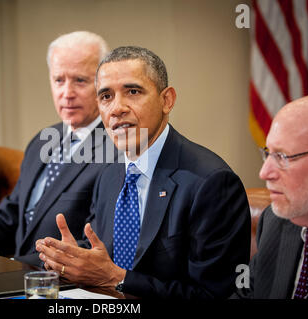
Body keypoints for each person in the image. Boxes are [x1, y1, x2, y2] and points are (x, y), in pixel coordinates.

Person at [36, 46, 251, 299]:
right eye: (106, 97)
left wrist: (117, 279)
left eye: (133, 92)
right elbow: (105, 253)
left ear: (166, 100)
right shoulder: (109, 174)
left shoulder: (212, 183)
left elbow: (215, 295)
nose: (117, 108)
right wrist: (71, 260)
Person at [0, 31, 116, 267]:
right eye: (58, 80)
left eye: (80, 81)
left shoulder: (118, 149)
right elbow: (10, 214)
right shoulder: (43, 140)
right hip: (18, 272)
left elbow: (93, 245)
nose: (67, 93)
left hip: (64, 283)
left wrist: (10, 262)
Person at [232, 94, 308, 299]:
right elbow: (244, 293)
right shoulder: (275, 220)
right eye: (268, 153)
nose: (264, 173)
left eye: (282, 156)